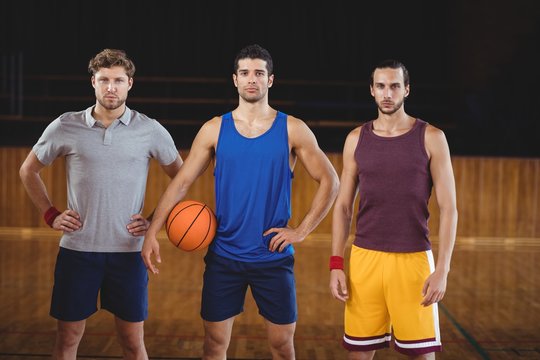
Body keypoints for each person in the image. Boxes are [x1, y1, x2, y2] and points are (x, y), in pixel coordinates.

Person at [142, 44, 339, 360]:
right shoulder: (214, 129)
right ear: (235, 79)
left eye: (259, 73)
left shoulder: (293, 129)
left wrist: (301, 231)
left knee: (282, 346)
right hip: (224, 257)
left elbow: (331, 180)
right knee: (215, 346)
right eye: (245, 73)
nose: (252, 79)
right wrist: (152, 231)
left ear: (270, 80)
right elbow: (180, 183)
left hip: (273, 258)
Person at [19, 48, 183, 360]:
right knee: (67, 342)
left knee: (133, 343)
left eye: (118, 80)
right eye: (104, 79)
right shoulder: (66, 125)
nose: (111, 87)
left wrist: (154, 220)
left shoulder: (149, 129)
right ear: (93, 82)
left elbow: (181, 178)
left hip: (129, 254)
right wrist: (51, 214)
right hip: (78, 252)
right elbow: (28, 170)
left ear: (130, 84)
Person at [329, 59, 458, 360]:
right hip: (365, 260)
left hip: (413, 261)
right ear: (372, 91)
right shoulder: (355, 139)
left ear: (406, 90)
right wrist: (336, 264)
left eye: (395, 86)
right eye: (381, 86)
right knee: (358, 354)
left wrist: (442, 269)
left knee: (422, 355)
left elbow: (449, 208)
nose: (388, 93)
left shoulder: (432, 138)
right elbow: (344, 207)